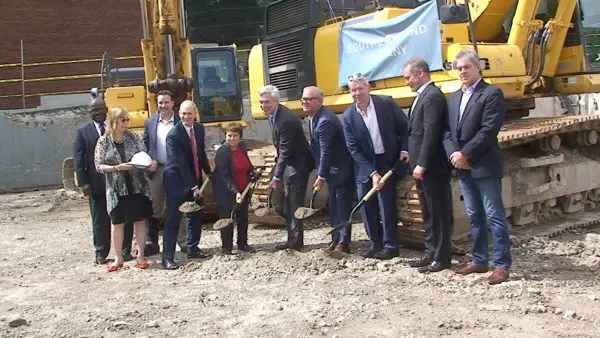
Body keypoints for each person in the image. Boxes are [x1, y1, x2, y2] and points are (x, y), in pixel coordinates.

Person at [442, 49, 511, 285]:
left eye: (466, 67)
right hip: (462, 167)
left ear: (477, 68)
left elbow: (488, 130)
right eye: (459, 68)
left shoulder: (491, 94)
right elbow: (447, 131)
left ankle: (502, 265)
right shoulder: (452, 98)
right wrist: (453, 153)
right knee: (474, 215)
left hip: (484, 165)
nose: (462, 72)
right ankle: (479, 260)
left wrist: (465, 153)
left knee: (494, 215)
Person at [341, 73, 409, 260]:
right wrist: (372, 173)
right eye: (353, 90)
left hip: (387, 161)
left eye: (360, 89)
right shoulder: (348, 117)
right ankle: (375, 243)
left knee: (386, 204)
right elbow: (353, 149)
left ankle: (391, 246)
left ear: (368, 88)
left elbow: (404, 127)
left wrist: (404, 149)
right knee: (367, 206)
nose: (357, 93)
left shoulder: (385, 104)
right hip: (365, 166)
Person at [403, 58, 453, 273]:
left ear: (420, 73)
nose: (407, 82)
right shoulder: (421, 97)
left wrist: (422, 163)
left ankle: (442, 257)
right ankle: (431, 252)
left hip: (432, 167)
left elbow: (431, 132)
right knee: (428, 212)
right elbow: (415, 132)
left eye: (408, 77)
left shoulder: (432, 96)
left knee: (438, 211)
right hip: (420, 166)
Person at [72, 97, 134, 265]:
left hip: (119, 183)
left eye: (100, 110)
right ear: (89, 112)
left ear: (106, 109)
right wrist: (83, 183)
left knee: (124, 217)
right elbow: (79, 159)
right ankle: (101, 252)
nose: (97, 113)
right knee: (100, 220)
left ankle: (125, 250)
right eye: (94, 111)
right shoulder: (82, 132)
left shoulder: (115, 127)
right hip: (97, 184)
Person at [94, 106, 154, 271]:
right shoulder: (103, 141)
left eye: (127, 119)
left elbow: (144, 155)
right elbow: (99, 165)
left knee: (140, 220)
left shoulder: (134, 137)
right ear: (113, 121)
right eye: (123, 120)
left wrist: (148, 164)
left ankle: (140, 255)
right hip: (116, 189)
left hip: (137, 186)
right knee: (117, 222)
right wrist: (117, 168)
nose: (126, 123)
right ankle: (118, 258)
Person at [260, 85, 315, 251]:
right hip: (289, 164)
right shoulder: (274, 115)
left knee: (293, 203)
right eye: (261, 102)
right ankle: (293, 236)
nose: (264, 105)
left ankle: (296, 242)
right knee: (282, 205)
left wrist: (276, 177)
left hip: (298, 165)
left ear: (276, 101)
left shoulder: (286, 120)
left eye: (267, 102)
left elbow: (285, 151)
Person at [301, 86, 354, 253]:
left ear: (319, 101)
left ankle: (343, 243)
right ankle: (336, 238)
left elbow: (326, 151)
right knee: (334, 206)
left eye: (309, 99)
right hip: (333, 171)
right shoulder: (314, 117)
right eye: (303, 98)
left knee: (342, 207)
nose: (304, 102)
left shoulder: (325, 121)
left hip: (340, 171)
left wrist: (321, 175)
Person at [162, 100, 212, 270]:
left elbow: (199, 152)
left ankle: (193, 248)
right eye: (183, 114)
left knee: (196, 214)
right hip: (176, 181)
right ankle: (168, 257)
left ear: (195, 114)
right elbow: (180, 163)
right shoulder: (174, 135)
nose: (186, 117)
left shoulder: (199, 128)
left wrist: (209, 171)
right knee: (173, 219)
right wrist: (193, 187)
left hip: (195, 178)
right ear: (179, 114)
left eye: (189, 113)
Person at [142, 90, 187, 256]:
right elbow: (145, 145)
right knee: (154, 207)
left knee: (179, 206)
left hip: (176, 170)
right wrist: (148, 162)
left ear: (172, 103)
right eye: (160, 102)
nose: (163, 106)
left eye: (166, 102)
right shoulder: (150, 122)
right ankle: (152, 242)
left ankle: (183, 242)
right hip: (157, 170)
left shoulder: (180, 122)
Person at [212, 122, 258, 255]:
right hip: (227, 192)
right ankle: (227, 248)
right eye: (229, 135)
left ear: (240, 137)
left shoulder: (241, 147)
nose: (232, 138)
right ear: (225, 136)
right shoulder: (222, 152)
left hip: (243, 189)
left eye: (235, 136)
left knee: (242, 218)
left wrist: (253, 173)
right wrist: (235, 192)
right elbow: (224, 176)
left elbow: (247, 164)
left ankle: (242, 244)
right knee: (227, 220)